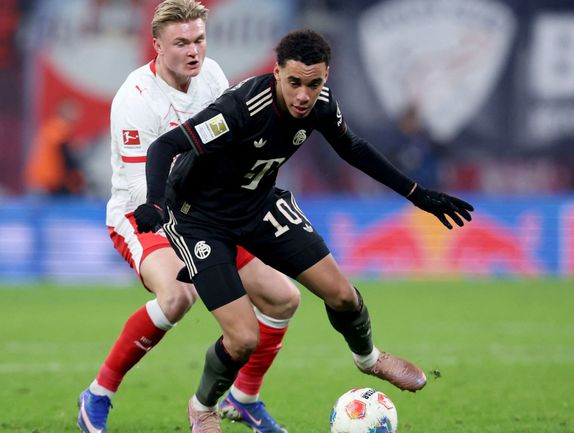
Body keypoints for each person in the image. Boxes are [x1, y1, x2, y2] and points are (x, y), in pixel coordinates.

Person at [133, 29, 473, 433]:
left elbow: (353, 148)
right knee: (243, 339)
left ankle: (369, 359)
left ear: (325, 77)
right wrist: (155, 203)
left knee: (343, 295)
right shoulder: (240, 110)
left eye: (314, 84)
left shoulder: (321, 105)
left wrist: (417, 194)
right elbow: (164, 147)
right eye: (294, 82)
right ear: (277, 72)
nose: (303, 95)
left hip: (259, 205)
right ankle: (202, 407)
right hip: (200, 219)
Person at [77, 2, 299, 433]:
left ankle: (243, 399)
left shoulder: (212, 76)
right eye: (181, 43)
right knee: (178, 297)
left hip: (204, 212)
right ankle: (99, 393)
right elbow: (142, 189)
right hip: (143, 215)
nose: (193, 51)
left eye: (199, 40)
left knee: (282, 298)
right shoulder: (135, 98)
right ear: (157, 45)